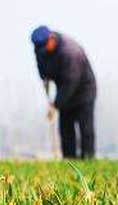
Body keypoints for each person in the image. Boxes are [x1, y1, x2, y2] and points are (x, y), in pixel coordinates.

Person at [31, 26, 97, 159]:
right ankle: (69, 159)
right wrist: (44, 76)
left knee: (85, 128)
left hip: (83, 90)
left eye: (44, 48)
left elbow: (70, 82)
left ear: (51, 39)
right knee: (66, 127)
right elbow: (41, 65)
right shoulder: (41, 49)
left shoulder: (70, 52)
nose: (41, 51)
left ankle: (88, 157)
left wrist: (55, 105)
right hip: (63, 89)